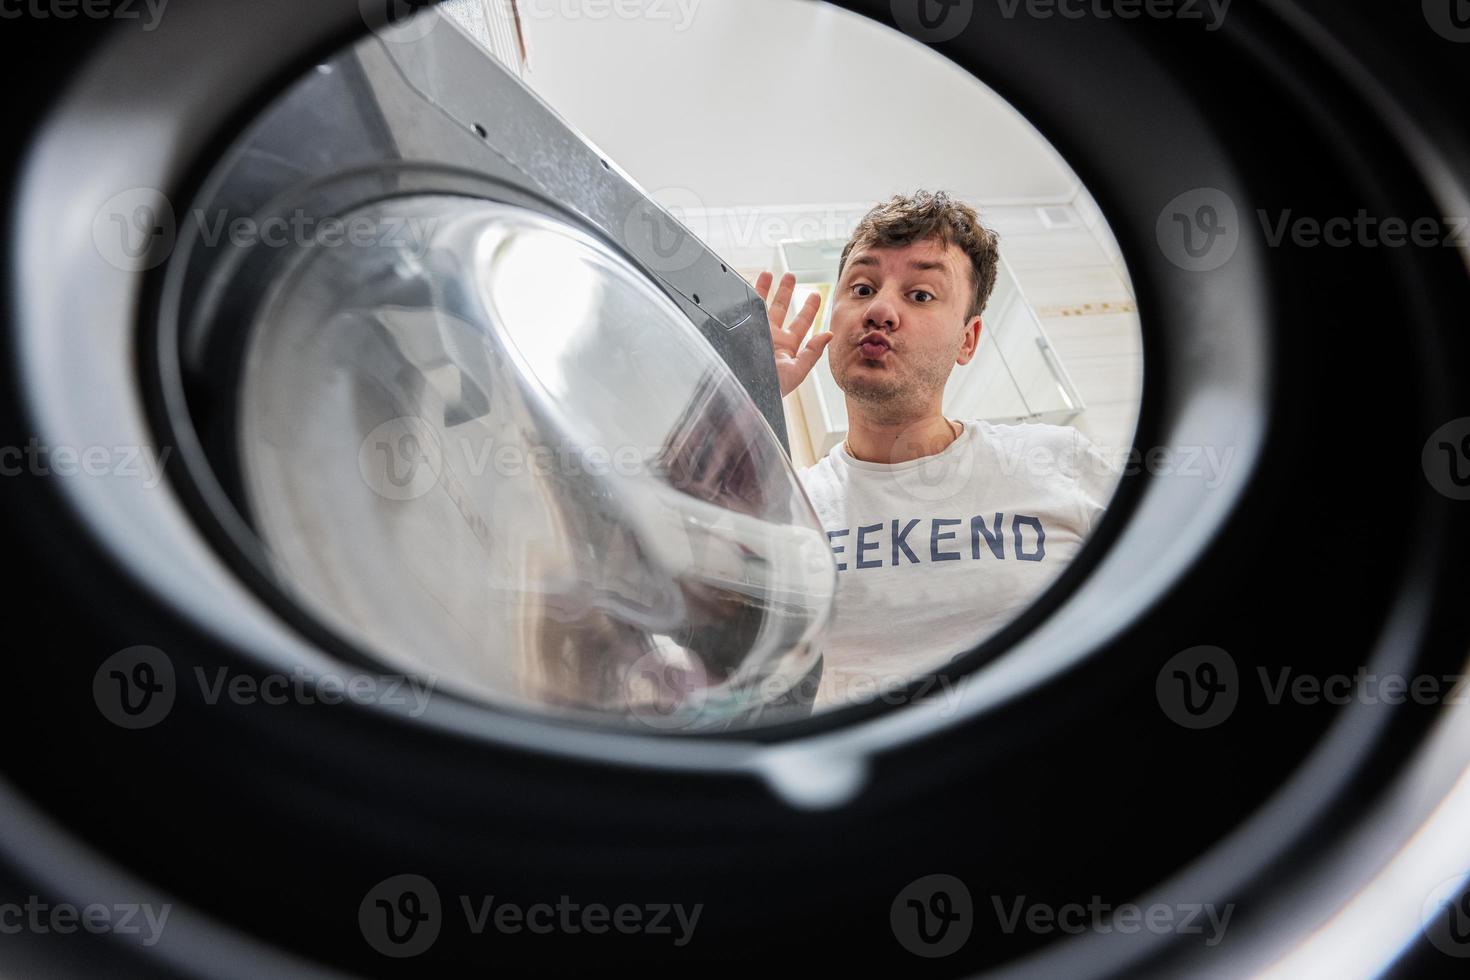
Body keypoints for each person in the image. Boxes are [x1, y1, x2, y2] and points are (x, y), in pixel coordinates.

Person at [758, 190, 1118, 709]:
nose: (880, 309)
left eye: (921, 295)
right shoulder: (788, 506)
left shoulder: (1056, 460)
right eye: (862, 287)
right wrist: (738, 399)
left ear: (968, 340)